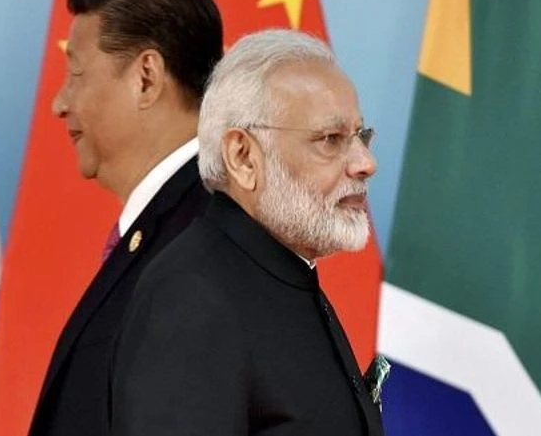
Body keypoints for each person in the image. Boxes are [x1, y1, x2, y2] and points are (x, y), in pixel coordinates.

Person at [109, 29, 384, 436]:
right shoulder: (190, 296)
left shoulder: (280, 274)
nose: (365, 163)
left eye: (360, 136)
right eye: (330, 139)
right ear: (242, 156)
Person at [28, 0, 223, 435]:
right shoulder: (182, 228)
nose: (59, 102)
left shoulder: (198, 248)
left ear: (147, 78)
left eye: (76, 73)